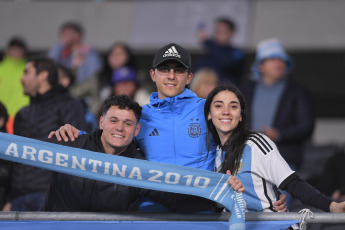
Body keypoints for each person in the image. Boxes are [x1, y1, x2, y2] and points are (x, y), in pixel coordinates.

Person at [49, 43, 285, 212]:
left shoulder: (208, 110)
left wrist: (268, 190)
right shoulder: (141, 116)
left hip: (201, 208)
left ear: (189, 76)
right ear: (153, 74)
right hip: (152, 208)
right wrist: (76, 134)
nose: (171, 76)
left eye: (178, 70)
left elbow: (242, 148)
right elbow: (112, 137)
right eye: (164, 69)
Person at [43, 95, 243, 212]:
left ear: (137, 130)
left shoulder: (139, 168)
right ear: (102, 123)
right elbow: (23, 156)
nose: (119, 128)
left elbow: (174, 198)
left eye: (127, 123)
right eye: (113, 121)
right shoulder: (70, 144)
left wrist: (217, 195)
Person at [204, 84, 345, 213]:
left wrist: (331, 206)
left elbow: (293, 184)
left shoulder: (255, 143)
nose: (226, 111)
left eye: (233, 106)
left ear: (241, 116)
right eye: (218, 106)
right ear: (209, 114)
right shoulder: (206, 151)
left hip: (269, 225)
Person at [2, 57, 87, 212]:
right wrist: (10, 199)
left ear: (43, 76)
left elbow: (79, 147)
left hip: (52, 196)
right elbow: (14, 158)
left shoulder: (69, 104)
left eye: (27, 72)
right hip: (18, 199)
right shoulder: (22, 113)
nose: (22, 79)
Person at [241, 38, 315, 171]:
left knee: (282, 192)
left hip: (284, 159)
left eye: (282, 60)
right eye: (273, 59)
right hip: (248, 157)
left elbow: (307, 126)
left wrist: (279, 134)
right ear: (260, 66)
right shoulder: (246, 90)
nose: (279, 63)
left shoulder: (297, 91)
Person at [48, 21, 102, 116]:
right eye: (62, 34)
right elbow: (49, 64)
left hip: (86, 106)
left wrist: (76, 67)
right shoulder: (62, 53)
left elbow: (93, 83)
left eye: (67, 33)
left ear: (78, 35)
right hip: (67, 103)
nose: (63, 36)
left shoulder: (89, 54)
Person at [194, 17, 245, 86]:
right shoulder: (209, 54)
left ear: (231, 33)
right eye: (217, 31)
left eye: (222, 31)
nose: (218, 35)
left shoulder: (237, 53)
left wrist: (207, 41)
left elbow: (227, 63)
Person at [0, 37, 30, 134]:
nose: (17, 52)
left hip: (24, 118)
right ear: (7, 50)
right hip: (3, 117)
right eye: (14, 49)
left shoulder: (30, 69)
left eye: (20, 49)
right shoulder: (1, 69)